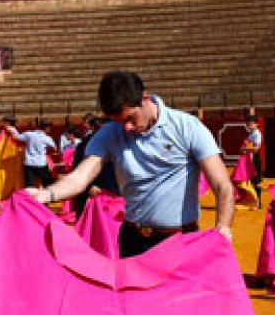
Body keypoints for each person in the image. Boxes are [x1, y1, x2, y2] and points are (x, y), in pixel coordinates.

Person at [24, 71, 234, 259]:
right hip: (134, 241)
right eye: (118, 121)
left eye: (130, 118)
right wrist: (47, 194)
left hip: (179, 240)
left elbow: (222, 184)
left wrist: (223, 226)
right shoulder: (110, 133)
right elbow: (80, 177)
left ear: (145, 97)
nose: (126, 127)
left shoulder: (187, 127)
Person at [11, 119, 59, 190]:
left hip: (29, 163)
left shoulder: (29, 134)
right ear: (47, 128)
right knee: (48, 184)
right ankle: (50, 199)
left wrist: (12, 129)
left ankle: (29, 200)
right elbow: (55, 149)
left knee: (29, 185)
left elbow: (16, 136)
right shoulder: (47, 138)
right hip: (40, 164)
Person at [241, 115, 266, 205]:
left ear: (257, 124)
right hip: (250, 158)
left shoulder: (257, 134)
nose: (249, 126)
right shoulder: (252, 134)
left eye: (251, 124)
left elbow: (256, 148)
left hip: (255, 158)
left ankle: (258, 201)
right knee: (251, 180)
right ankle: (253, 200)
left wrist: (245, 148)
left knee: (256, 180)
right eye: (248, 124)